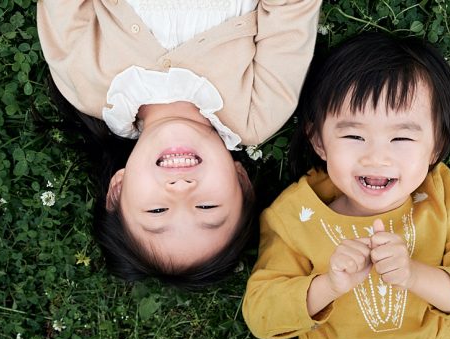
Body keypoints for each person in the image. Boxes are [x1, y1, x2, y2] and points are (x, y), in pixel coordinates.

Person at [242, 32, 450, 339]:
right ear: (318, 140)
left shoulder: (440, 196)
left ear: (435, 145)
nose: (376, 157)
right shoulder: (294, 215)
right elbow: (262, 315)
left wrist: (413, 275)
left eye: (401, 138)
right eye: (353, 135)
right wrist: (328, 285)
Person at [36, 0, 322, 288]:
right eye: (207, 206)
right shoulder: (259, 111)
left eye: (157, 211)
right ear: (241, 181)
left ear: (118, 189)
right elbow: (292, 9)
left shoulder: (86, 86)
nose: (182, 189)